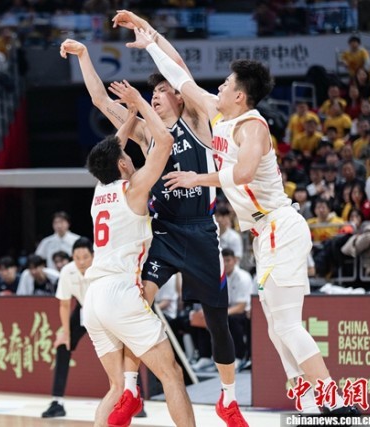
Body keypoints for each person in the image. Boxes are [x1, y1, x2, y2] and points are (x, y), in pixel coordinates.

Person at [151, 26, 358, 414]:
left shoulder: (253, 127)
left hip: (280, 226)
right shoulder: (218, 114)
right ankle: (311, 405)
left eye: (226, 83)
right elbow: (180, 75)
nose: (219, 86)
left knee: (287, 325)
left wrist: (198, 178)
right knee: (278, 328)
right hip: (265, 234)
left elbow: (244, 172)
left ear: (239, 95)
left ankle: (336, 401)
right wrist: (149, 38)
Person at [63, 11, 247, 425]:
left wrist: (146, 30)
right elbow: (100, 100)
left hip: (201, 230)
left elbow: (178, 66)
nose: (158, 95)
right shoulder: (147, 133)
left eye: (164, 90)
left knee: (217, 319)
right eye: (154, 92)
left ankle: (229, 398)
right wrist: (85, 57)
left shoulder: (197, 121)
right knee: (139, 301)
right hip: (163, 230)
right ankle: (130, 389)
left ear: (179, 97)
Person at [82, 75, 195, 427]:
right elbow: (164, 142)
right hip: (120, 293)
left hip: (93, 299)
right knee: (172, 374)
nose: (130, 157)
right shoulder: (133, 188)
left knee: (116, 387)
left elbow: (111, 148)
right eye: (126, 156)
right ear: (122, 164)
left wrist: (130, 115)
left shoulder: (99, 190)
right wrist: (142, 107)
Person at [41, 237, 94, 418]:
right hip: (83, 309)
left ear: (93, 256)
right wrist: (65, 332)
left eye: (85, 257)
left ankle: (137, 398)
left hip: (105, 310)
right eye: (77, 257)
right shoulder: (67, 271)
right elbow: (64, 304)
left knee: (124, 349)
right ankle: (57, 402)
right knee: (63, 345)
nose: (81, 262)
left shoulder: (103, 268)